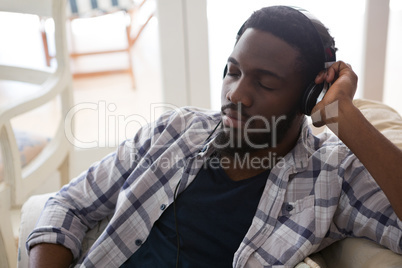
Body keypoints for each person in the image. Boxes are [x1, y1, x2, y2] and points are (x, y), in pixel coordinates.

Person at [28, 5, 402, 267]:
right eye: (233, 71)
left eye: (264, 82)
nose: (235, 94)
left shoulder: (330, 178)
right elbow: (68, 205)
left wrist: (343, 115)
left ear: (308, 98)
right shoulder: (174, 131)